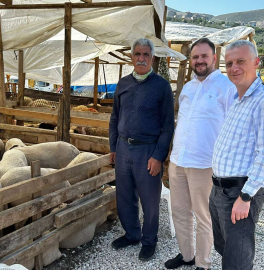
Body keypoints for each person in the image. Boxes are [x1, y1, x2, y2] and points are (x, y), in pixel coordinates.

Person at [165, 38, 236, 270]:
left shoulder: (226, 88)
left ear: (214, 58)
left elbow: (232, 128)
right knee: (180, 212)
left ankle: (203, 264)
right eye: (195, 57)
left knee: (203, 216)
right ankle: (187, 256)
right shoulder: (188, 87)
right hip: (178, 161)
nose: (199, 61)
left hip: (204, 164)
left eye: (204, 56)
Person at [210, 40, 264, 270]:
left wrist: (246, 197)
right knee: (225, 249)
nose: (234, 68)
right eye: (229, 63)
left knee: (237, 261)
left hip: (239, 193)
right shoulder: (236, 99)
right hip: (220, 190)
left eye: (241, 61)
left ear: (256, 62)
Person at [109, 38, 174, 261]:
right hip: (123, 147)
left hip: (148, 151)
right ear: (131, 57)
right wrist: (113, 146)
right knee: (125, 195)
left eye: (146, 54)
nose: (141, 58)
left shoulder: (162, 86)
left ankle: (149, 240)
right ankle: (132, 234)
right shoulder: (123, 84)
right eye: (137, 54)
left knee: (149, 200)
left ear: (152, 58)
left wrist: (159, 156)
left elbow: (168, 126)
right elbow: (115, 117)